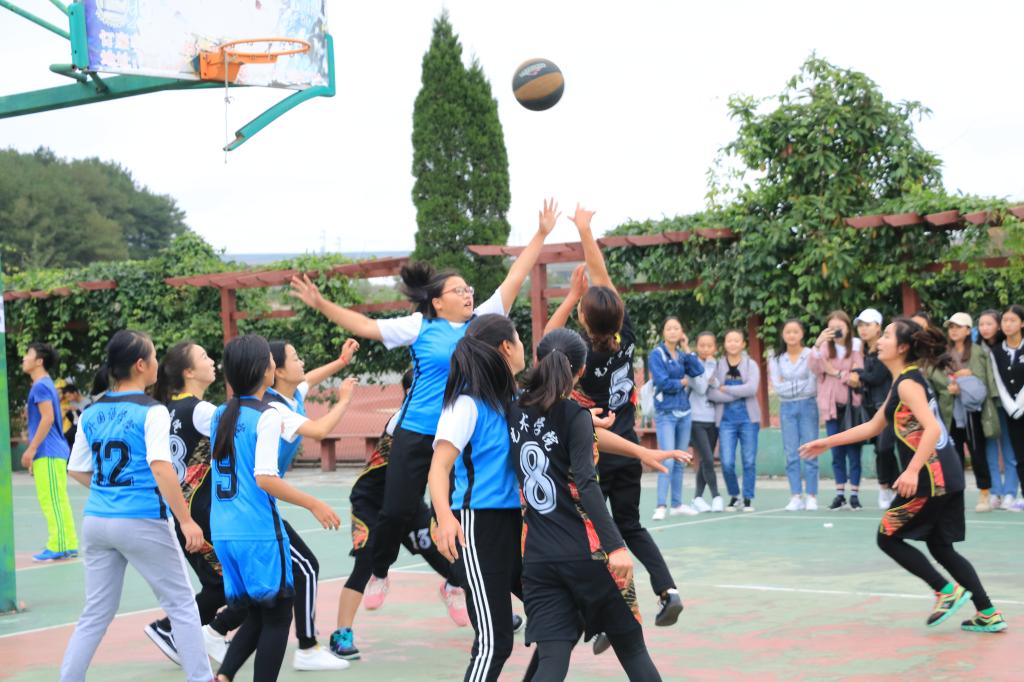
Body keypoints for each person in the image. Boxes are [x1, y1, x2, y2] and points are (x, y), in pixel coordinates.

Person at [290, 199, 560, 607]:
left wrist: (540, 233)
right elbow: (364, 326)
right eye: (459, 290)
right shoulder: (419, 327)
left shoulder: (482, 321)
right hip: (416, 431)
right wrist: (322, 304)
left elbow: (516, 275)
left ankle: (457, 581)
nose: (468, 294)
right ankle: (380, 570)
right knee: (397, 511)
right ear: (437, 301)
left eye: (469, 289)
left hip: (459, 435)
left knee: (449, 512)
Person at [428, 315, 685, 681]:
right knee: (495, 641)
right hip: (478, 525)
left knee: (566, 617)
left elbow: (574, 428)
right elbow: (438, 467)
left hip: (523, 529)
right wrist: (443, 516)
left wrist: (640, 451)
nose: (525, 346)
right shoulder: (467, 404)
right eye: (519, 339)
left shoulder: (516, 401)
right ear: (506, 348)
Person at [800, 318, 1008, 633]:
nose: (880, 340)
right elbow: (874, 426)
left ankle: (946, 591)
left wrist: (911, 470)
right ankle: (988, 612)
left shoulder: (908, 384)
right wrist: (827, 442)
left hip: (930, 476)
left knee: (887, 537)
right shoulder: (905, 380)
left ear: (902, 347)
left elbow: (932, 428)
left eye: (886, 335)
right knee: (940, 547)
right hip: (946, 473)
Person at [543, 205, 684, 644]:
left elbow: (547, 338)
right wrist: (587, 232)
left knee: (593, 534)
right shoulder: (627, 337)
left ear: (584, 320)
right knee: (631, 527)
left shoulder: (581, 354)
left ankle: (610, 614)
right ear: (619, 317)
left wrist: (571, 296)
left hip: (594, 452)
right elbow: (603, 279)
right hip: (627, 446)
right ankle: (668, 588)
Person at [512, 328, 664, 682]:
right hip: (588, 553)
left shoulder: (513, 409)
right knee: (633, 651)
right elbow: (586, 484)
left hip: (537, 558)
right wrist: (616, 546)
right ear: (581, 371)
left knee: (552, 661)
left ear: (539, 361)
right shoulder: (574, 415)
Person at [61, 330, 213, 682]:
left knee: (95, 612)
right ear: (141, 365)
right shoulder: (152, 410)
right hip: (142, 519)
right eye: (155, 356)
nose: (159, 363)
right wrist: (186, 520)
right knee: (182, 605)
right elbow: (160, 467)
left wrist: (110, 493)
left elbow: (76, 469)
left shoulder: (92, 412)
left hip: (97, 521)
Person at [210, 334, 344, 682]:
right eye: (271, 361)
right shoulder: (266, 416)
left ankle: (222, 677)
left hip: (223, 529)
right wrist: (313, 503)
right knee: (279, 613)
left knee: (258, 611)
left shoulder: (220, 414)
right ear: (265, 371)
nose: (273, 365)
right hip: (257, 530)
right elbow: (266, 479)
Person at [329, 370, 473, 662]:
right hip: (371, 503)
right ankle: (341, 633)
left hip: (409, 506)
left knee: (448, 555)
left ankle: (482, 607)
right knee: (366, 560)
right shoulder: (403, 421)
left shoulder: (449, 421)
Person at [144, 341, 248, 665]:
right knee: (233, 584)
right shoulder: (202, 412)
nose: (212, 361)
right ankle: (174, 629)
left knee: (217, 584)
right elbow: (240, 441)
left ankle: (185, 632)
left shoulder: (165, 411)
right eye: (204, 356)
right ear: (189, 372)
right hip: (199, 514)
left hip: (180, 512)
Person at [263, 338, 359, 670]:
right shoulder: (277, 409)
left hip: (261, 501)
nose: (302, 362)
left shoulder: (291, 394)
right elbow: (319, 431)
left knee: (269, 580)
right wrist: (343, 400)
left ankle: (213, 631)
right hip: (256, 502)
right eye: (295, 357)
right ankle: (306, 647)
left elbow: (310, 378)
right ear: (277, 371)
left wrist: (341, 362)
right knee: (304, 568)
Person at [927, 313, 999, 512]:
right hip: (949, 411)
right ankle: (955, 495)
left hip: (971, 411)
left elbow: (983, 381)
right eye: (951, 327)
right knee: (953, 455)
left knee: (977, 453)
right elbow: (934, 376)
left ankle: (984, 493)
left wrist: (964, 380)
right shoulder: (944, 352)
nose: (954, 330)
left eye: (958, 327)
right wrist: (951, 383)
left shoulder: (977, 352)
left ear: (968, 330)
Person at [20, 342, 79, 562]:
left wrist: (32, 448)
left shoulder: (41, 386)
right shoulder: (44, 384)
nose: (24, 358)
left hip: (49, 451)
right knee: (57, 499)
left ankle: (58, 545)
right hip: (51, 452)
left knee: (52, 500)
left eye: (28, 354)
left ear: (39, 361)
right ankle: (68, 543)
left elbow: (48, 418)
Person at [647, 314, 704, 519]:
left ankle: (677, 504)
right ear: (663, 332)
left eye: (676, 328)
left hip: (684, 412)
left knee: (680, 459)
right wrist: (681, 382)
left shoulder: (681, 355)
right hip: (666, 413)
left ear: (681, 333)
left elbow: (698, 370)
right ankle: (661, 505)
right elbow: (661, 382)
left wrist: (687, 347)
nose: (672, 332)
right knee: (667, 460)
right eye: (669, 328)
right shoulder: (656, 354)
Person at [809, 310, 865, 510]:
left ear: (848, 328)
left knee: (854, 451)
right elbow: (815, 368)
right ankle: (839, 493)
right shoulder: (824, 347)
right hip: (831, 407)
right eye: (832, 328)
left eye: (840, 327)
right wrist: (817, 344)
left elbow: (857, 376)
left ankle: (855, 494)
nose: (836, 331)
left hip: (851, 406)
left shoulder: (856, 346)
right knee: (836, 451)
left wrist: (836, 372)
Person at [707, 329, 761, 512]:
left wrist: (726, 389)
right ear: (725, 344)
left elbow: (751, 389)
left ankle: (747, 498)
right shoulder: (717, 366)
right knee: (727, 462)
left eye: (737, 340)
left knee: (749, 461)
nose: (733, 343)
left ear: (743, 344)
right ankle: (734, 495)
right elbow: (711, 393)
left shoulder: (751, 365)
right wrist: (737, 393)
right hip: (726, 421)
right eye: (729, 340)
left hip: (749, 420)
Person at [769, 320, 819, 511]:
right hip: (786, 407)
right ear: (783, 335)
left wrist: (789, 384)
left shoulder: (810, 355)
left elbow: (812, 384)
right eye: (788, 332)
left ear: (802, 334)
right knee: (791, 453)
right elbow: (777, 386)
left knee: (810, 450)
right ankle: (795, 495)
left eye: (795, 331)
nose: (791, 335)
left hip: (808, 405)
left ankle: (811, 495)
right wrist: (800, 383)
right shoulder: (776, 358)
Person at [850, 308, 897, 509]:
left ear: (878, 327)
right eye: (860, 325)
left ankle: (892, 487)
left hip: (886, 406)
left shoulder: (884, 349)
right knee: (881, 450)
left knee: (885, 448)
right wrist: (857, 380)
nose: (863, 329)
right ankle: (886, 487)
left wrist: (857, 374)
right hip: (870, 407)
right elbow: (866, 383)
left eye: (867, 325)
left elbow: (877, 377)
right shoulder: (864, 352)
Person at [977, 309, 1019, 510]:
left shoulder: (1006, 347)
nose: (984, 328)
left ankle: (1010, 492)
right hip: (986, 408)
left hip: (1008, 407)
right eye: (981, 324)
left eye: (989, 324)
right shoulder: (976, 349)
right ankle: (995, 492)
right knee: (990, 450)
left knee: (1011, 450)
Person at [989, 304, 1024, 512]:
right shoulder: (996, 351)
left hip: (1021, 406)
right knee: (1020, 455)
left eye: (1012, 320)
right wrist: (1012, 407)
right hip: (1012, 412)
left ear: (1022, 323)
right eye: (1005, 320)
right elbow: (999, 382)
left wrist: (1020, 404)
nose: (1008, 324)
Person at [688, 331, 723, 512]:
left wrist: (712, 380)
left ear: (715, 348)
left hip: (712, 419)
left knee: (705, 461)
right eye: (702, 345)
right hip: (696, 419)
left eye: (709, 346)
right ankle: (716, 496)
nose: (706, 349)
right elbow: (701, 387)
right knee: (708, 459)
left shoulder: (717, 363)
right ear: (697, 346)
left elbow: (718, 384)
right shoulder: (692, 363)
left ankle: (697, 498)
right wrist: (709, 373)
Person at [60, 382, 85, 450]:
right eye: (67, 397)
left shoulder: (86, 402)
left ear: (75, 393)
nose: (68, 399)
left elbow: (85, 418)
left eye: (69, 396)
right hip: (75, 427)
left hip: (82, 427)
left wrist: (77, 410)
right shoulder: (71, 403)